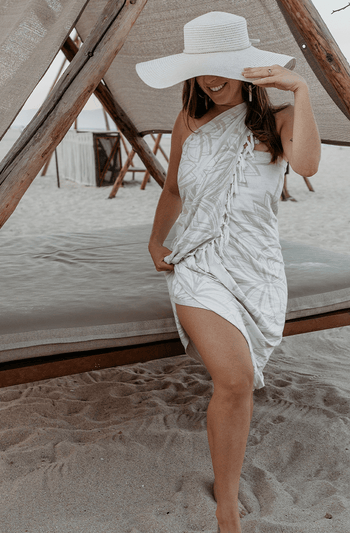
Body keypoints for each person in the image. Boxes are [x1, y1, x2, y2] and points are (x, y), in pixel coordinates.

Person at [136, 11, 321, 533]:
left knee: (240, 380)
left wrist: (302, 90)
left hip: (257, 268)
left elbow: (306, 165)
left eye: (221, 67)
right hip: (197, 261)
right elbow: (173, 190)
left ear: (245, 67)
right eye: (201, 69)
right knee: (236, 380)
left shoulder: (280, 120)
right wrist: (155, 240)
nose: (211, 79)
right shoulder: (188, 123)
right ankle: (226, 505)